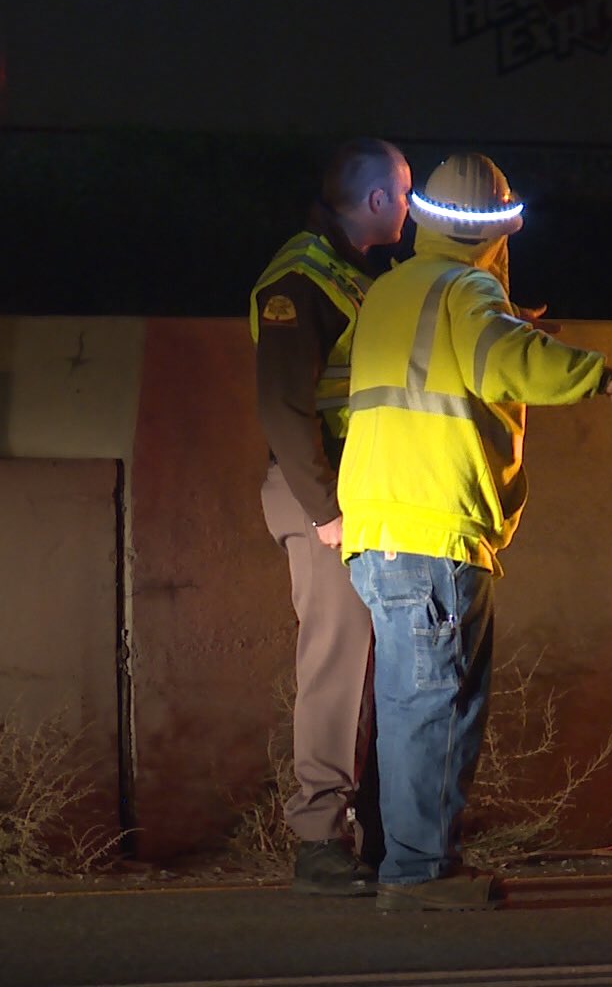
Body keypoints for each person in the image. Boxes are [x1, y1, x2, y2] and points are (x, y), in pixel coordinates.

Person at [338, 152, 612, 911]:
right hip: (437, 531)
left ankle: (405, 860)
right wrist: (600, 376)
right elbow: (505, 361)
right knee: (437, 709)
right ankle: (420, 875)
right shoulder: (468, 292)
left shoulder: (393, 289)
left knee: (411, 707)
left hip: (380, 528)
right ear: (495, 235)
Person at [251, 137, 412, 897]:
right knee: (337, 668)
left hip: (362, 493)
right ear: (377, 200)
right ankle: (320, 837)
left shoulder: (360, 273)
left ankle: (376, 833)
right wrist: (325, 513)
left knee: (373, 672)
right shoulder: (301, 278)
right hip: (328, 498)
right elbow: (283, 406)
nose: (410, 208)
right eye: (403, 194)